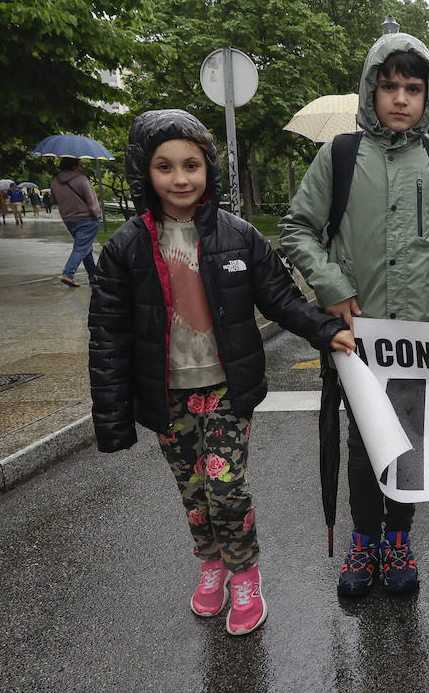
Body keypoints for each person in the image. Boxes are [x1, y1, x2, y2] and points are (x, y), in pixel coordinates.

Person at [89, 109, 354, 636]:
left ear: (209, 168)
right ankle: (210, 564)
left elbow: (281, 298)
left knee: (226, 486)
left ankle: (244, 574)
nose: (181, 178)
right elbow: (109, 338)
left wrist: (325, 330)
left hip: (226, 389)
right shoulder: (125, 247)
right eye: (165, 167)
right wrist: (113, 420)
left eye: (192, 165)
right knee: (192, 491)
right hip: (167, 396)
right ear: (145, 171)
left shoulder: (239, 236)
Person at [281, 32, 429, 597]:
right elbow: (298, 229)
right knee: (364, 442)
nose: (401, 98)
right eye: (389, 86)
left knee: (409, 440)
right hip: (358, 336)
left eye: (412, 87)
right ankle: (364, 541)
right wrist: (330, 285)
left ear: (427, 94)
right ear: (371, 89)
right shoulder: (339, 155)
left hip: (422, 336)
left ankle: (399, 536)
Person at [50, 158, 102, 287]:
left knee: (85, 248)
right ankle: (68, 274)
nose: (81, 167)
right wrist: (97, 215)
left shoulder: (55, 182)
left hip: (69, 220)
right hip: (87, 219)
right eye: (79, 165)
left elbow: (53, 201)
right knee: (81, 248)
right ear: (74, 166)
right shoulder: (82, 180)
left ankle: (93, 276)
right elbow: (92, 201)